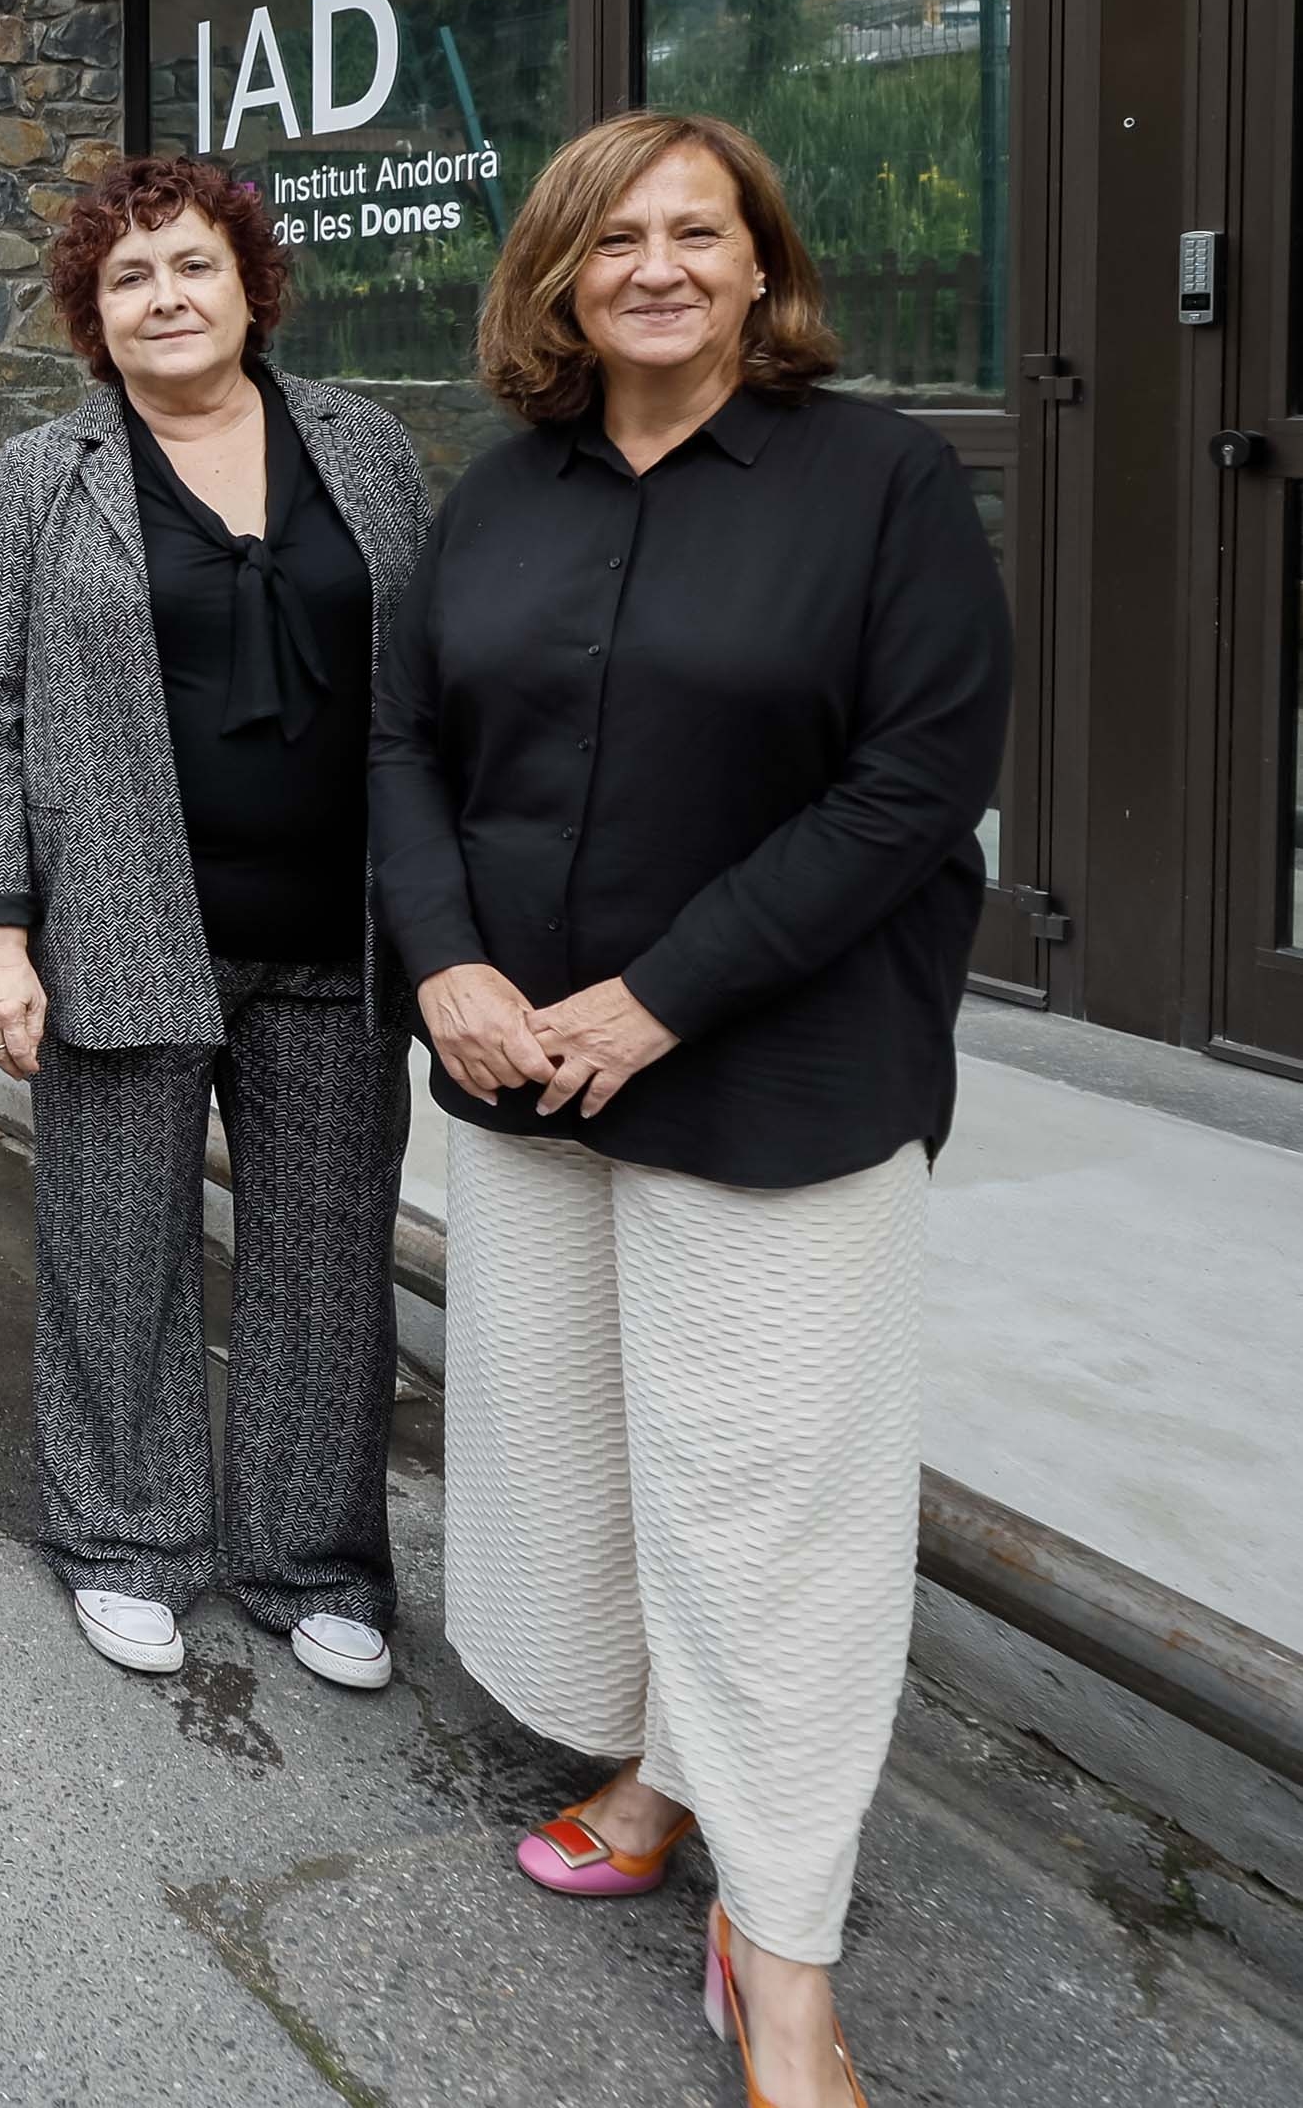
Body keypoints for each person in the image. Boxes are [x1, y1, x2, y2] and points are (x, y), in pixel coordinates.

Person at [369, 111, 1009, 2108]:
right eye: (606, 238)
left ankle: (784, 1942)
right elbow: (397, 744)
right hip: (517, 1070)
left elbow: (910, 788)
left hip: (773, 1070)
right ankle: (650, 1770)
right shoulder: (495, 498)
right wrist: (447, 964)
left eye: (691, 232)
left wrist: (653, 995)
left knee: (769, 1506)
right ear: (552, 279)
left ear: (757, 265)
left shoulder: (878, 482)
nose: (650, 264)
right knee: (581, 1457)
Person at [0, 152, 428, 1681]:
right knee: (113, 1242)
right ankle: (126, 1533)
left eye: (189, 265)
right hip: (121, 918)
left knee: (326, 1253)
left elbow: (426, 683)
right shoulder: (49, 470)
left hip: (333, 935)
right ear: (94, 313)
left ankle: (311, 1558)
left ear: (248, 281)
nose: (163, 295)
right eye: (128, 275)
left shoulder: (360, 443)